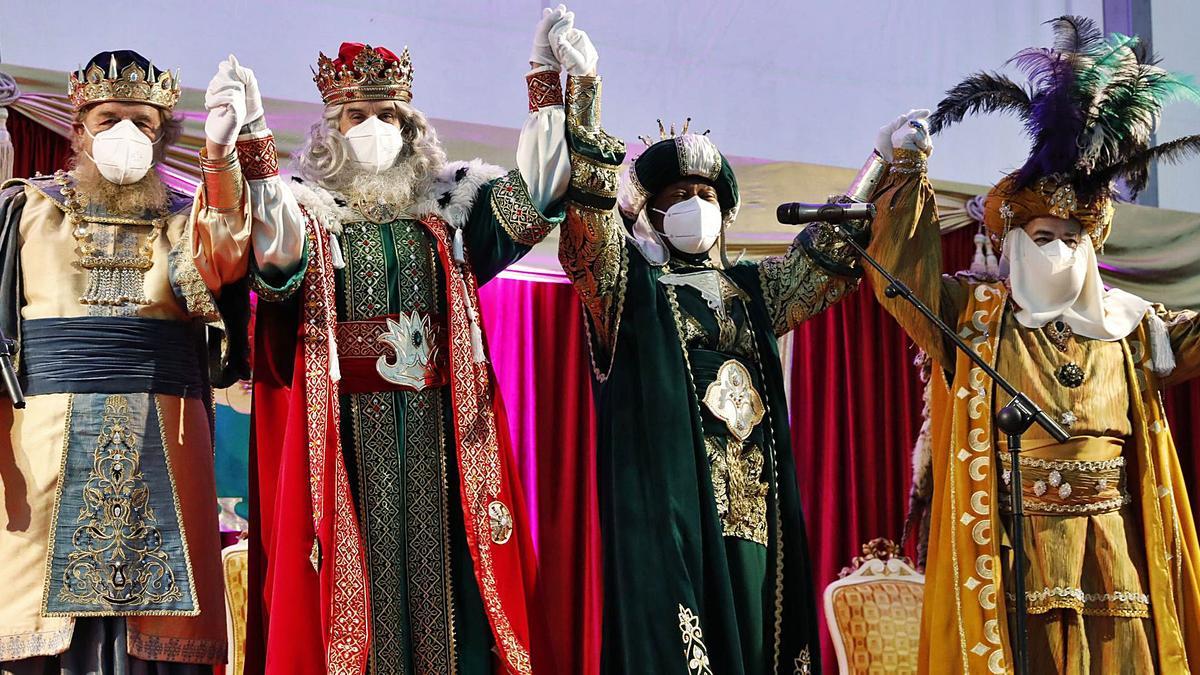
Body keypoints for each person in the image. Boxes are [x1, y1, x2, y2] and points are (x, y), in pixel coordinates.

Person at [548, 13, 934, 673]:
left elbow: (828, 256)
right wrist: (582, 93)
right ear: (650, 212)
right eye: (678, 195)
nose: (694, 203)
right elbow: (586, 228)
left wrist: (883, 164)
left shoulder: (754, 291)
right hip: (673, 528)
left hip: (755, 514)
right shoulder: (628, 290)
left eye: (704, 193)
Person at [243, 9, 578, 674]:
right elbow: (272, 268)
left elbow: (537, 195)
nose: (374, 129)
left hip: (443, 438)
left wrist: (545, 79)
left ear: (410, 125)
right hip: (346, 443)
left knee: (451, 604)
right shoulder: (306, 211)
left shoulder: (450, 209)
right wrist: (253, 148)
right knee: (358, 603)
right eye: (357, 116)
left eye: (388, 115)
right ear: (331, 129)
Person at [873, 16, 1200, 673]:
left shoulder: (1133, 327)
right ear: (1015, 242)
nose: (1060, 250)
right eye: (1044, 236)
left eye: (1074, 237)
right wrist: (905, 172)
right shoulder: (971, 321)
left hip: (1115, 555)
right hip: (1015, 556)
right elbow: (901, 283)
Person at [0, 50, 260, 673]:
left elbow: (224, 262)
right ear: (78, 126)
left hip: (163, 438)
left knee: (160, 632)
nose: (125, 133)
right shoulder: (26, 208)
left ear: (163, 133)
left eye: (142, 123)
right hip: (45, 436)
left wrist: (223, 159)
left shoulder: (185, 216)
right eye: (109, 116)